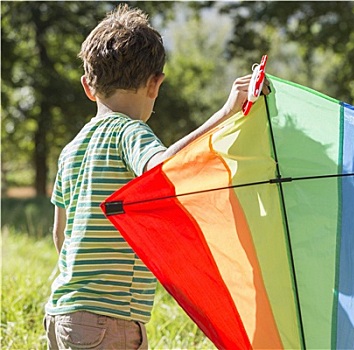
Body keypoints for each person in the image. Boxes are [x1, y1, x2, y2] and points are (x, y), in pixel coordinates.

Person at [44, 4, 267, 349]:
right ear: (155, 84)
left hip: (61, 313)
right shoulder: (130, 132)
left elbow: (60, 234)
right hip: (109, 319)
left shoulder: (71, 149)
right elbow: (163, 168)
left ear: (88, 86)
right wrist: (225, 114)